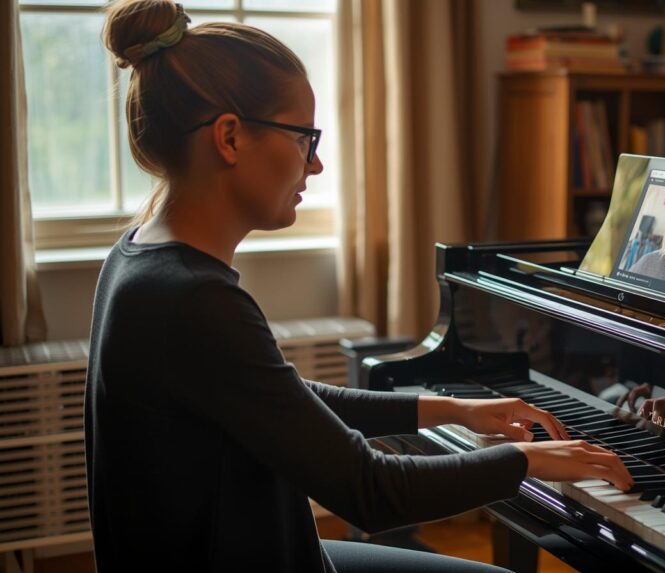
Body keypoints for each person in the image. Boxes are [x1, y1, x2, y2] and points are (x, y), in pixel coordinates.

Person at [86, 3, 633, 572]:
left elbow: (284, 404)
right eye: (304, 138)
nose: (315, 165)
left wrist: (454, 410)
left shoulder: (138, 257)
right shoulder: (193, 300)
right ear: (229, 138)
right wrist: (527, 458)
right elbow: (372, 492)